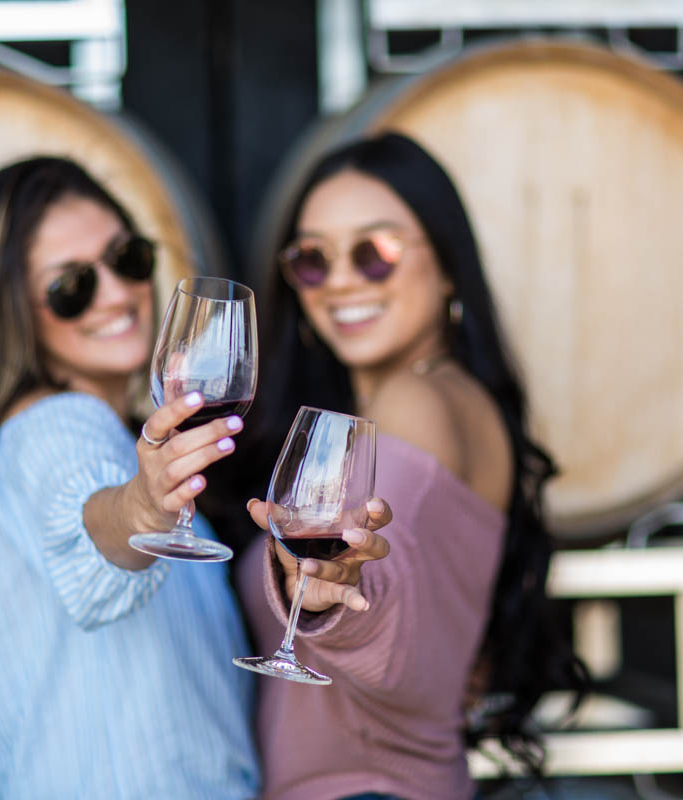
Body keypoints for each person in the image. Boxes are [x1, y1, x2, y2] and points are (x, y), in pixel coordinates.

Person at [0, 155, 388, 799]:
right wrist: (142, 510)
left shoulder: (110, 434)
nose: (115, 292)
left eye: (127, 258)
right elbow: (89, 527)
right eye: (71, 286)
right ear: (9, 314)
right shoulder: (53, 426)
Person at [217, 132, 588, 800]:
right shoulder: (434, 402)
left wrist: (339, 595)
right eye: (312, 261)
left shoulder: (418, 399)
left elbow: (390, 584)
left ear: (447, 267)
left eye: (375, 253)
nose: (341, 283)